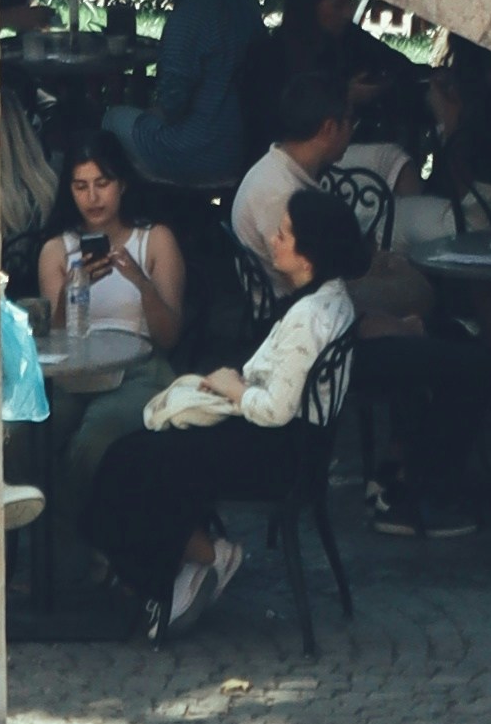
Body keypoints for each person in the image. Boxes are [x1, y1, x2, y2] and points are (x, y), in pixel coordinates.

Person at [93, 180, 367, 637]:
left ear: (308, 254)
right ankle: (185, 557)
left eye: (285, 234)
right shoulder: (330, 299)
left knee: (133, 461)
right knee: (142, 451)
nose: (274, 240)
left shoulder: (310, 317)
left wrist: (233, 388)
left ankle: (196, 558)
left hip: (279, 451)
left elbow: (276, 409)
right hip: (291, 442)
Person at [32, 126, 193, 521]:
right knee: (30, 439)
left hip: (139, 369)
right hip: (74, 371)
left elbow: (169, 335)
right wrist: (74, 286)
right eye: (81, 186)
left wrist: (140, 282)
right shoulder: (57, 250)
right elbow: (50, 340)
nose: (92, 197)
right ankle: (50, 546)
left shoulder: (154, 241)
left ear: (121, 184)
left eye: (102, 184)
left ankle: (78, 545)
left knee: (94, 436)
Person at [116, 0, 267, 201]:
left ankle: (141, 211)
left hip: (201, 150)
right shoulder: (236, 0)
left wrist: (149, 114)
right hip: (244, 143)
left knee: (113, 118)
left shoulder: (188, 18)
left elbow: (173, 103)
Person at [232, 88, 357, 291]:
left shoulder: (275, 166)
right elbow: (306, 281)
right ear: (329, 128)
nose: (352, 132)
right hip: (293, 308)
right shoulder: (282, 194)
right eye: (350, 123)